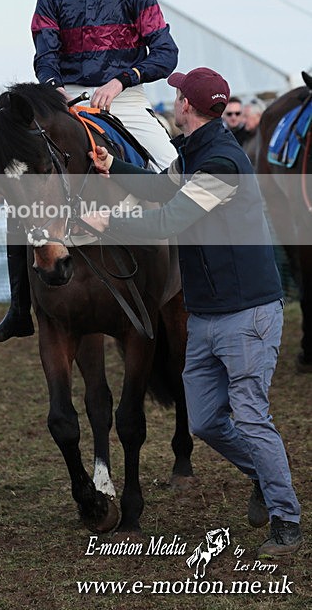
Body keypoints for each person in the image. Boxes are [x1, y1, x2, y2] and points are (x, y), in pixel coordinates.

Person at [82, 67, 303, 557]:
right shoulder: (198, 151)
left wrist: (109, 222)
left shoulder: (221, 163)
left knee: (248, 417)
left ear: (186, 106)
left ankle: (287, 521)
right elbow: (165, 191)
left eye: (178, 93)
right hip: (208, 313)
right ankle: (266, 478)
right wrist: (113, 165)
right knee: (204, 422)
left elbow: (170, 218)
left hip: (246, 315)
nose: (174, 97)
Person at [0, 0, 179, 343]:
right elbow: (45, 56)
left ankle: (194, 281)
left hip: (123, 97)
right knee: (27, 187)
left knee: (173, 169)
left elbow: (166, 53)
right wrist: (53, 90)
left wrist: (123, 79)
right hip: (68, 98)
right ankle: (19, 308)